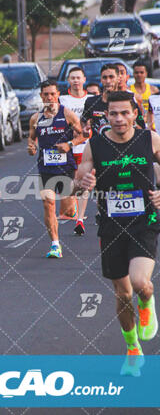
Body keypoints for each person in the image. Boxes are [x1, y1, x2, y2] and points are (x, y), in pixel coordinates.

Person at [76, 91, 160, 374]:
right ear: (106, 116)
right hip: (111, 226)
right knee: (122, 294)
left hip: (144, 221)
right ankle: (132, 349)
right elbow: (76, 185)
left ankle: (147, 300)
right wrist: (84, 182)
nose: (119, 119)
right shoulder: (95, 145)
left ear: (135, 113)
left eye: (125, 113)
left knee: (140, 282)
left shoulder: (150, 139)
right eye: (114, 114)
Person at [28, 80, 84, 258]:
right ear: (41, 96)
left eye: (52, 94)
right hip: (46, 168)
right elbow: (31, 140)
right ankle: (55, 244)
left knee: (67, 210)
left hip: (65, 167)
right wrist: (32, 148)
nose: (49, 97)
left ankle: (72, 206)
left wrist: (70, 144)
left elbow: (84, 134)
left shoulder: (66, 114)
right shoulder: (36, 118)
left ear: (58, 94)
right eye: (46, 94)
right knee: (48, 204)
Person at [59, 67, 91, 236]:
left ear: (84, 79)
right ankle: (75, 213)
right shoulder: (63, 100)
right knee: (73, 185)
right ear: (68, 80)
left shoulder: (91, 99)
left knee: (86, 183)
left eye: (79, 77)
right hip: (69, 148)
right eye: (73, 78)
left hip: (88, 148)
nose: (76, 81)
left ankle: (80, 219)